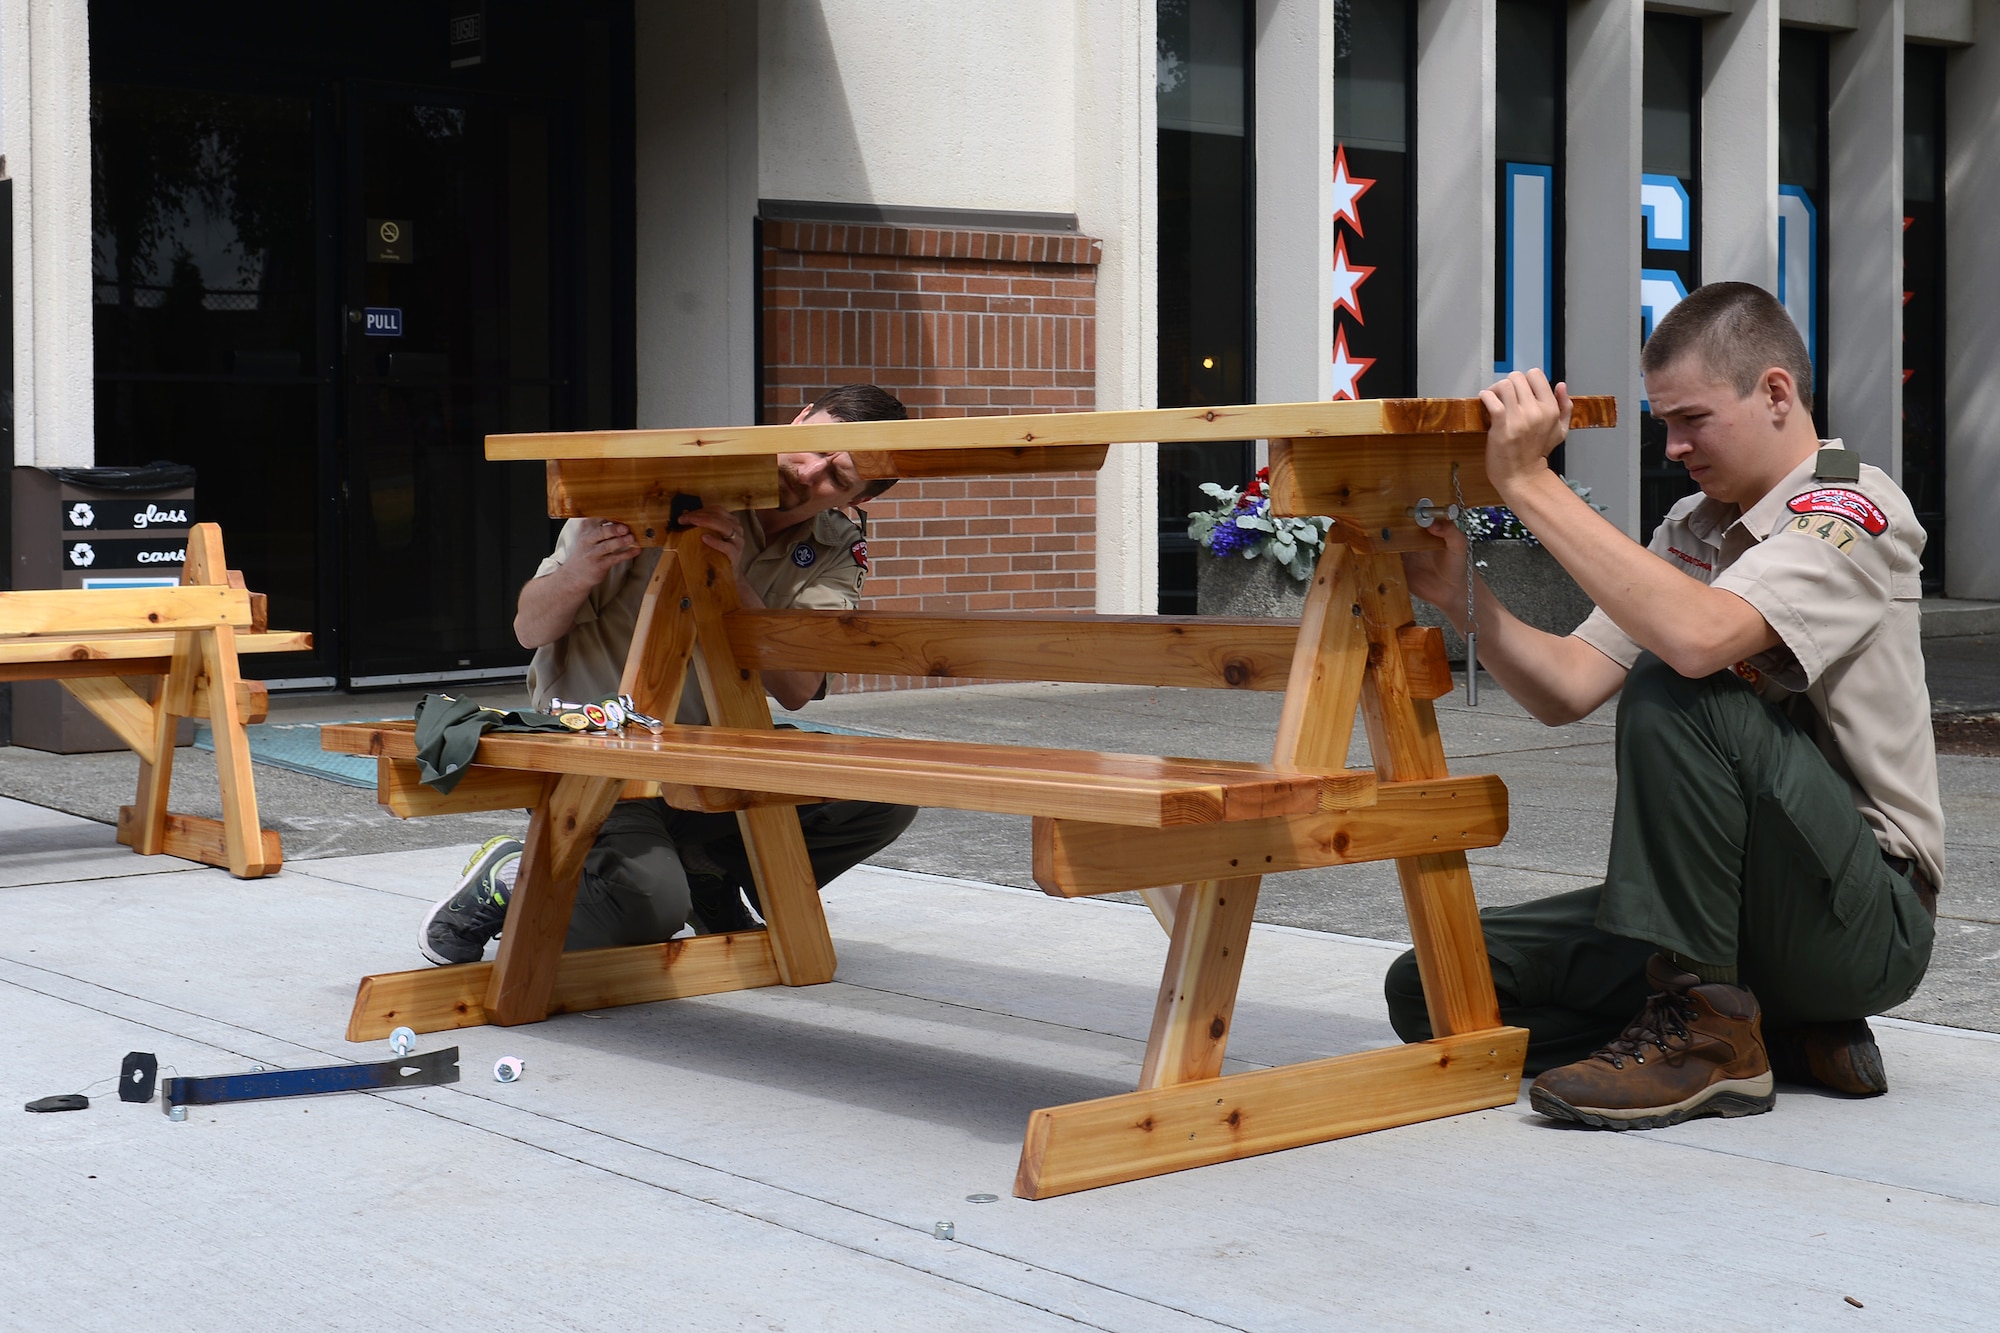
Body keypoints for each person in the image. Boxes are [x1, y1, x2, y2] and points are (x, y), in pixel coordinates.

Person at [1385, 282, 1941, 1130]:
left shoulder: (1852, 507)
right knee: (1440, 983)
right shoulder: (1696, 523)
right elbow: (1569, 685)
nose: (1674, 445)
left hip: (1862, 915)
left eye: (1691, 419)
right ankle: (1772, 1026)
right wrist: (1465, 595)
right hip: (1736, 904)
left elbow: (1697, 639)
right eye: (1663, 426)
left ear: (1775, 393)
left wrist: (1529, 482)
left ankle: (1708, 1040)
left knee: (1680, 681)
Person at [418, 384, 919, 965]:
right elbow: (529, 629)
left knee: (883, 792)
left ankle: (707, 876)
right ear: (799, 418)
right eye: (813, 447)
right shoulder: (663, 488)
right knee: (648, 908)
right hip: (599, 746)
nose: (809, 474)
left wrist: (734, 584)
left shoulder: (834, 548)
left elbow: (798, 689)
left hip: (715, 751)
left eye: (840, 477)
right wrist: (578, 572)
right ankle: (510, 880)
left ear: (858, 498)